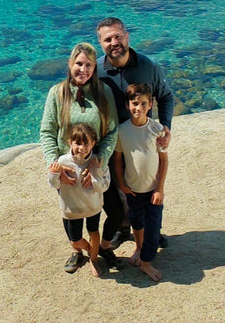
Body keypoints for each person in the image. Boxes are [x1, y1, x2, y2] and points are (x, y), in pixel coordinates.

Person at [95, 17, 173, 252]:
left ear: (127, 37)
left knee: (148, 182)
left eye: (118, 36)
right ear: (100, 43)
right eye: (108, 39)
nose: (114, 43)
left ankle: (151, 229)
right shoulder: (96, 70)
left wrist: (166, 126)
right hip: (112, 140)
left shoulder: (148, 66)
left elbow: (165, 96)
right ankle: (123, 228)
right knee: (119, 190)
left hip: (143, 138)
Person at [39, 42, 119, 273]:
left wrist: (100, 160)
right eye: (79, 64)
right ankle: (77, 251)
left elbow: (112, 131)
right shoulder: (57, 93)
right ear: (70, 63)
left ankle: (101, 249)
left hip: (95, 164)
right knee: (71, 214)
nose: (83, 69)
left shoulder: (104, 92)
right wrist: (55, 165)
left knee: (110, 211)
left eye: (89, 65)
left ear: (95, 68)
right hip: (68, 168)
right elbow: (47, 132)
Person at [112, 83, 168, 281]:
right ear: (127, 105)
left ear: (151, 104)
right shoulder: (122, 131)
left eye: (144, 103)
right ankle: (139, 247)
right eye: (135, 103)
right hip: (132, 189)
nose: (139, 108)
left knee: (153, 228)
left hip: (152, 189)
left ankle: (146, 262)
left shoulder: (156, 129)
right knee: (136, 222)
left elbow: (163, 160)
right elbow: (117, 160)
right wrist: (121, 184)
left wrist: (160, 188)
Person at [49, 123, 111, 277]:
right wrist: (54, 173)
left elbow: (103, 187)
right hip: (71, 208)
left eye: (86, 143)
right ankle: (90, 250)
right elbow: (55, 185)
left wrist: (95, 171)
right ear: (70, 142)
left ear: (93, 143)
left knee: (94, 231)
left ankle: (94, 260)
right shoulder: (62, 162)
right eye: (78, 143)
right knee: (75, 240)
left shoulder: (97, 161)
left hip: (92, 206)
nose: (82, 148)